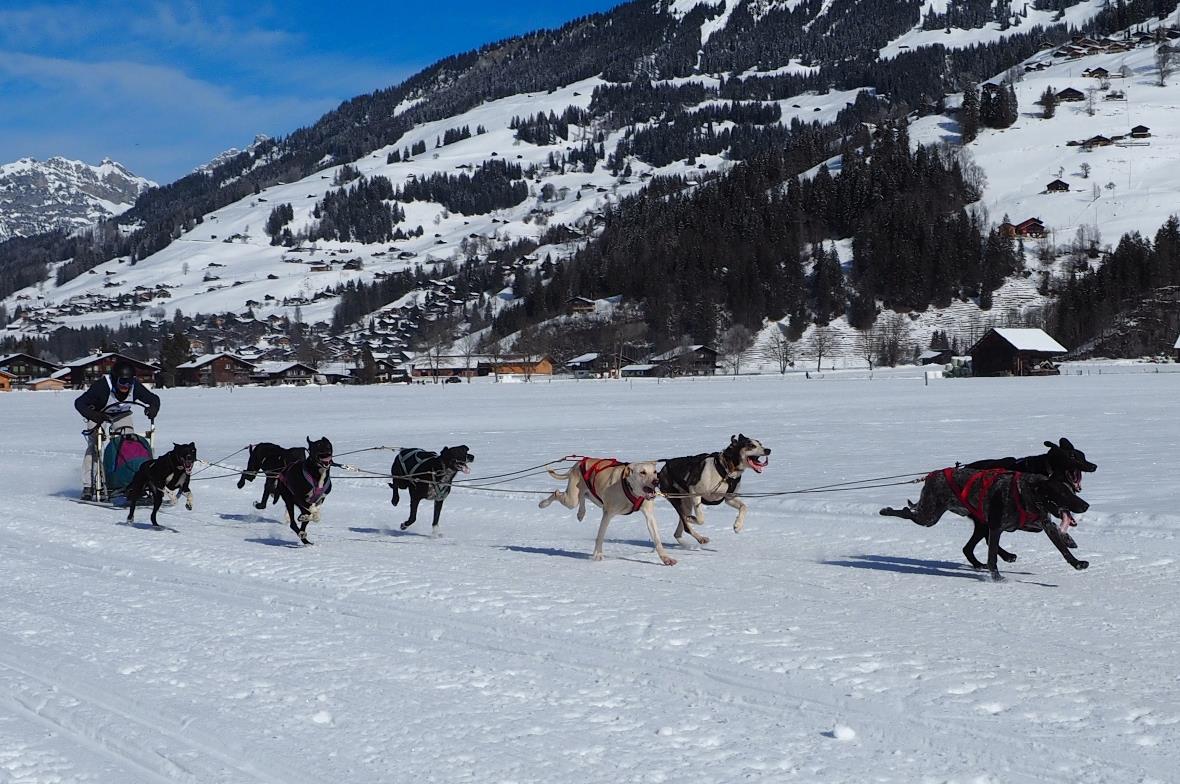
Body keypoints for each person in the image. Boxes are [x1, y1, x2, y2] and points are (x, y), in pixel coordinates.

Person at [75, 361, 161, 500]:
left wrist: (153, 408)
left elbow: (153, 399)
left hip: (121, 414)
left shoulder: (135, 387)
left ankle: (128, 480)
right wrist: (93, 415)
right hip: (98, 414)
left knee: (128, 442)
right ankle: (89, 485)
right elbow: (79, 403)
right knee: (95, 446)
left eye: (129, 382)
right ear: (115, 379)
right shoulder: (102, 387)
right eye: (122, 382)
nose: (126, 386)